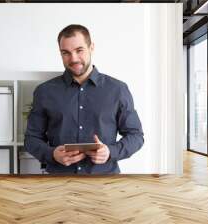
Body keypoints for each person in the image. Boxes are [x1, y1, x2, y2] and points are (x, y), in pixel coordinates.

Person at [24, 24, 144, 174]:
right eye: (65, 53)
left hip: (104, 182)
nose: (73, 58)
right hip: (58, 182)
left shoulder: (118, 89)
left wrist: (110, 152)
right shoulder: (44, 91)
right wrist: (52, 154)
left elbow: (136, 136)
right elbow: (31, 139)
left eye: (79, 50)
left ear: (91, 47)